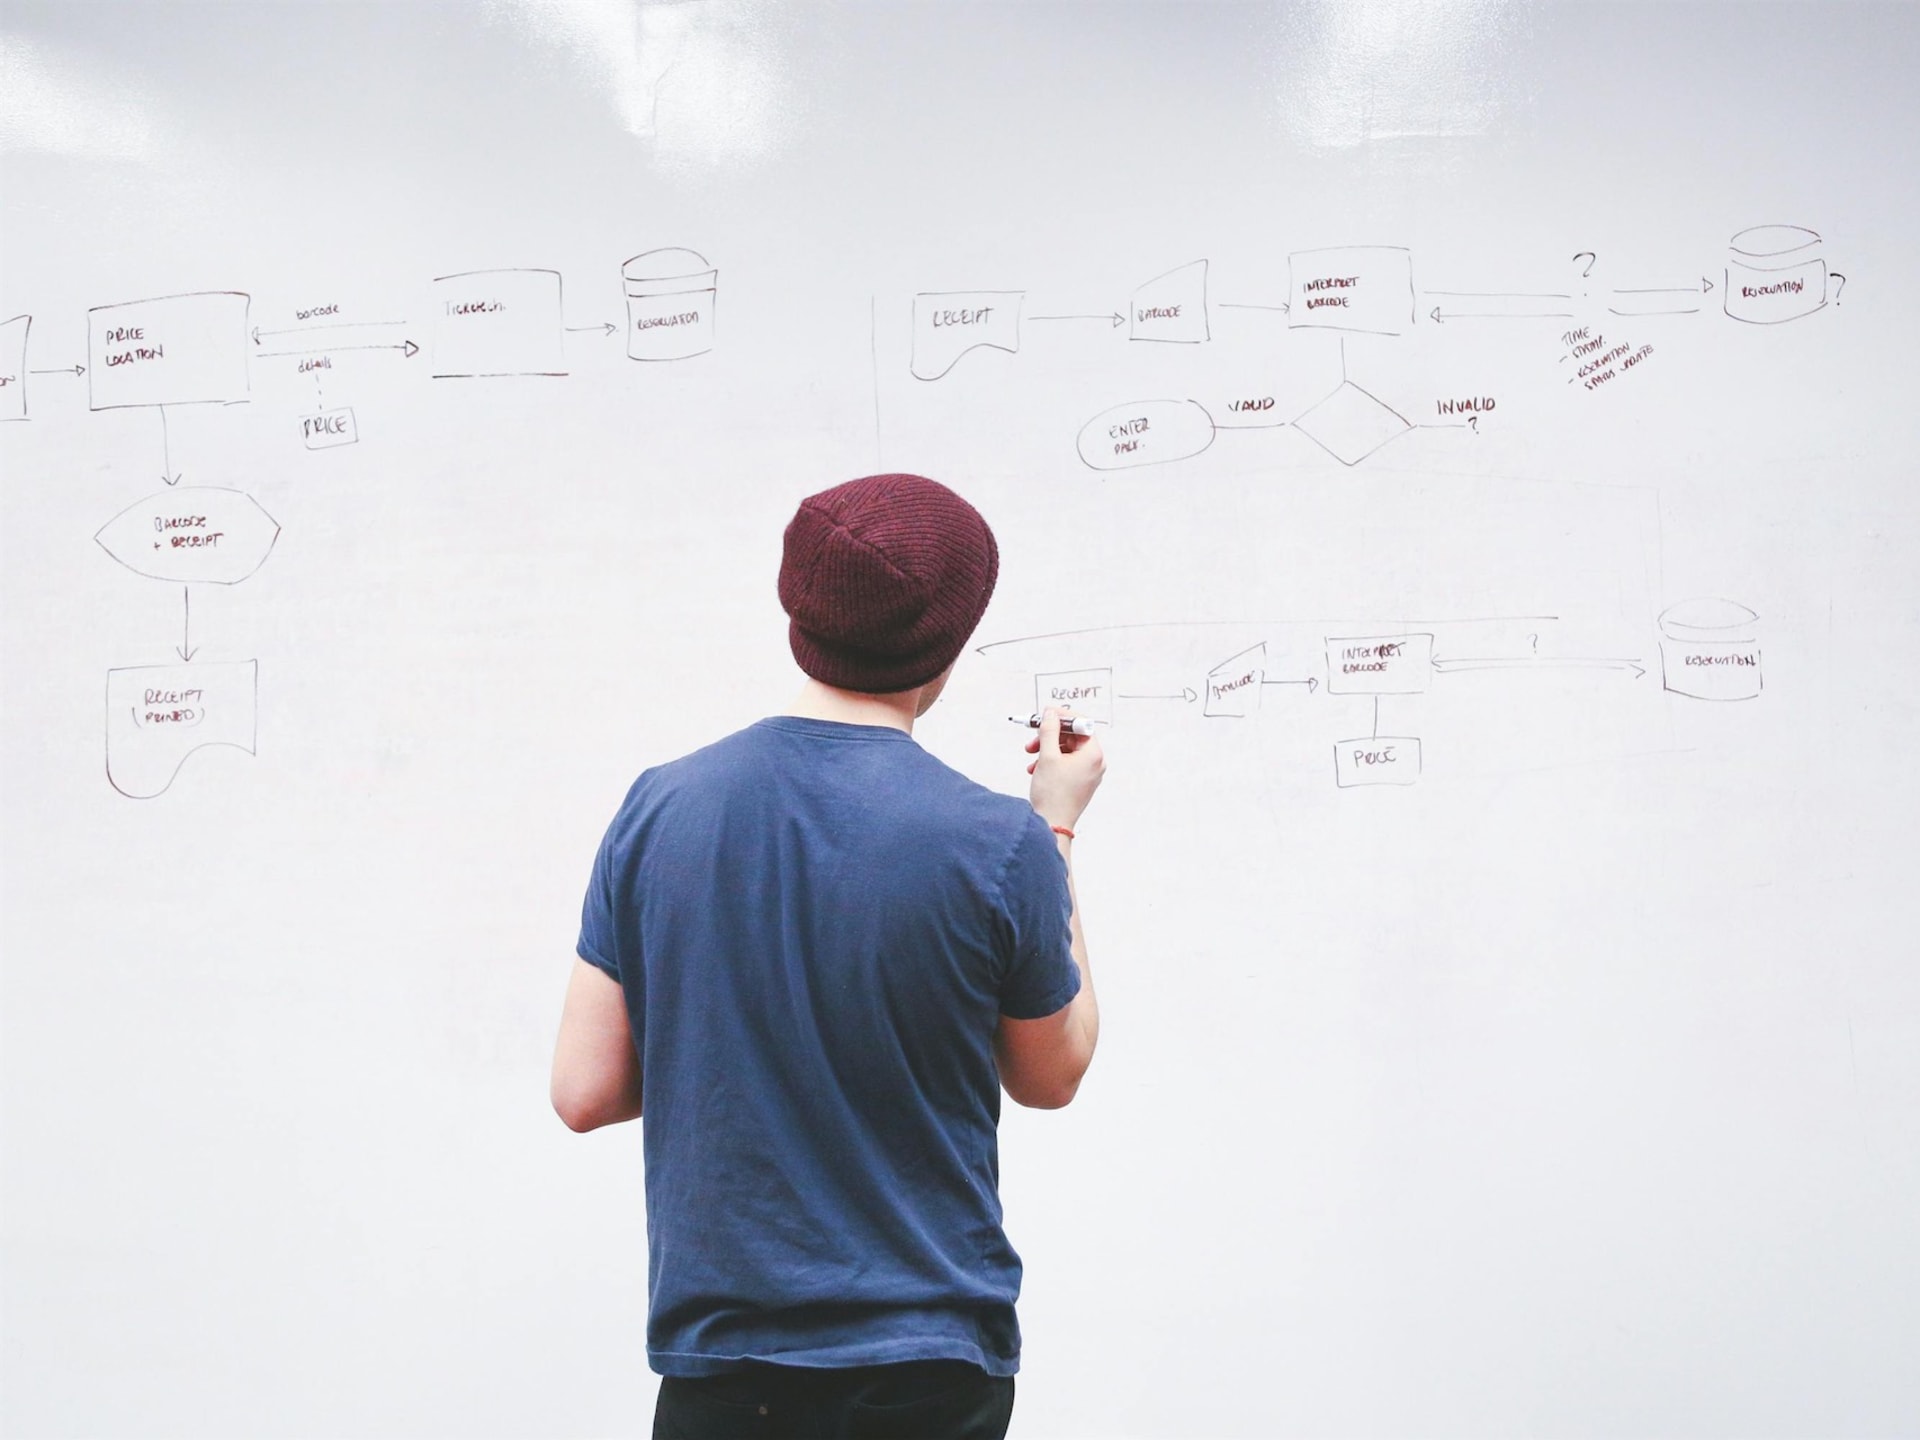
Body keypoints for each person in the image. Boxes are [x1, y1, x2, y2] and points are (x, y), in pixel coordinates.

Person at [551, 472, 1105, 1440]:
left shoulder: (659, 810)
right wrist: (1053, 829)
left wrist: (738, 1035)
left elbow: (584, 1088)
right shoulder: (996, 845)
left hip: (722, 1376)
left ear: (799, 612)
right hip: (925, 1374)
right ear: (946, 643)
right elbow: (1050, 1073)